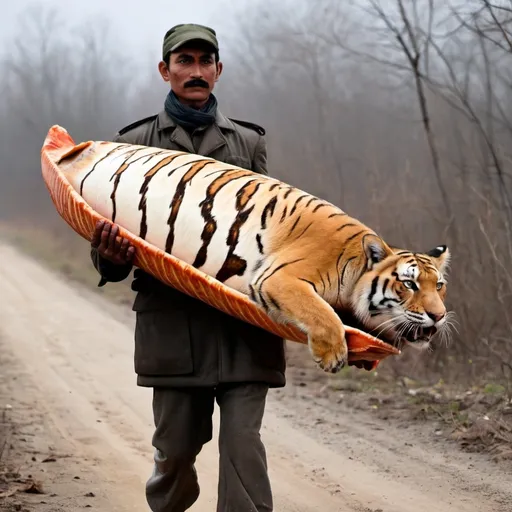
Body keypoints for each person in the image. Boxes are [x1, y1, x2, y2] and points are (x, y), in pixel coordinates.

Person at [89, 24, 285, 512]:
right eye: (184, 61)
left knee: (243, 449)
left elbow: (274, 228)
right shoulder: (132, 143)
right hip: (173, 329)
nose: (195, 71)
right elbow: (110, 240)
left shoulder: (248, 143)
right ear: (165, 70)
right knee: (175, 454)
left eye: (205, 62)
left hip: (244, 325)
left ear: (218, 70)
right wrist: (108, 256)